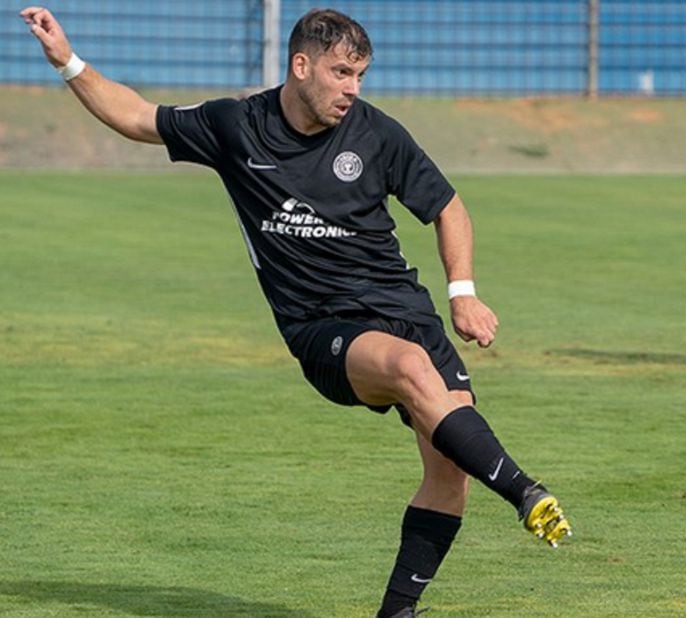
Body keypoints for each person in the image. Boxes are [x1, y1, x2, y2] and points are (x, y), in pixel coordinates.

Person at [21, 6, 570, 617]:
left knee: (449, 472)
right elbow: (134, 116)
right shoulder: (236, 124)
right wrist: (65, 60)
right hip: (321, 327)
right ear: (301, 65)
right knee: (411, 368)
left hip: (404, 308)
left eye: (360, 75)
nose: (352, 89)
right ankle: (525, 492)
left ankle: (397, 612)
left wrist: (461, 291)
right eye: (341, 73)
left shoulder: (377, 133)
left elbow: (448, 207)